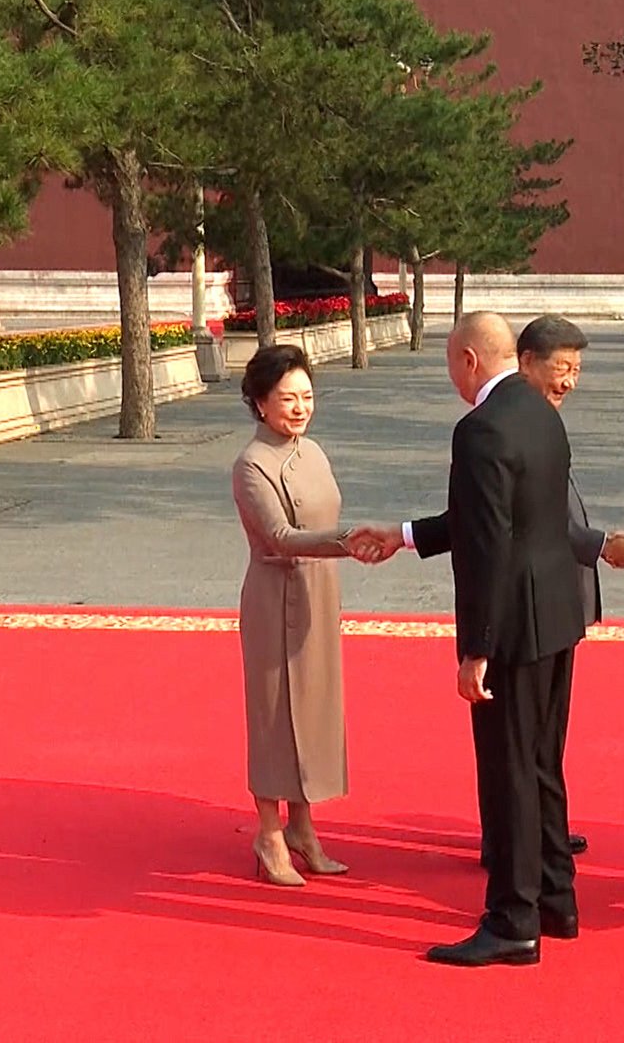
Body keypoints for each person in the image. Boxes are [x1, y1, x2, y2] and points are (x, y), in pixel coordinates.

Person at [355, 312, 586, 967]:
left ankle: (512, 919)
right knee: (540, 761)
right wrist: (404, 536)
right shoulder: (542, 412)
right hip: (556, 617)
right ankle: (554, 898)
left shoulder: (481, 428)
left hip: (510, 625)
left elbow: (487, 544)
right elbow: (491, 518)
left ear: (465, 359)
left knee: (509, 769)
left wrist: (476, 649)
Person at [231, 344, 358, 887]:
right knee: (275, 715)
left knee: (314, 710)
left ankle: (304, 827)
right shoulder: (251, 465)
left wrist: (343, 545)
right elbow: (280, 538)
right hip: (275, 597)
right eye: (287, 399)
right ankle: (269, 831)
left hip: (318, 593)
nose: (300, 408)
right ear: (260, 403)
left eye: (307, 396)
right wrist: (350, 543)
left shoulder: (313, 453)